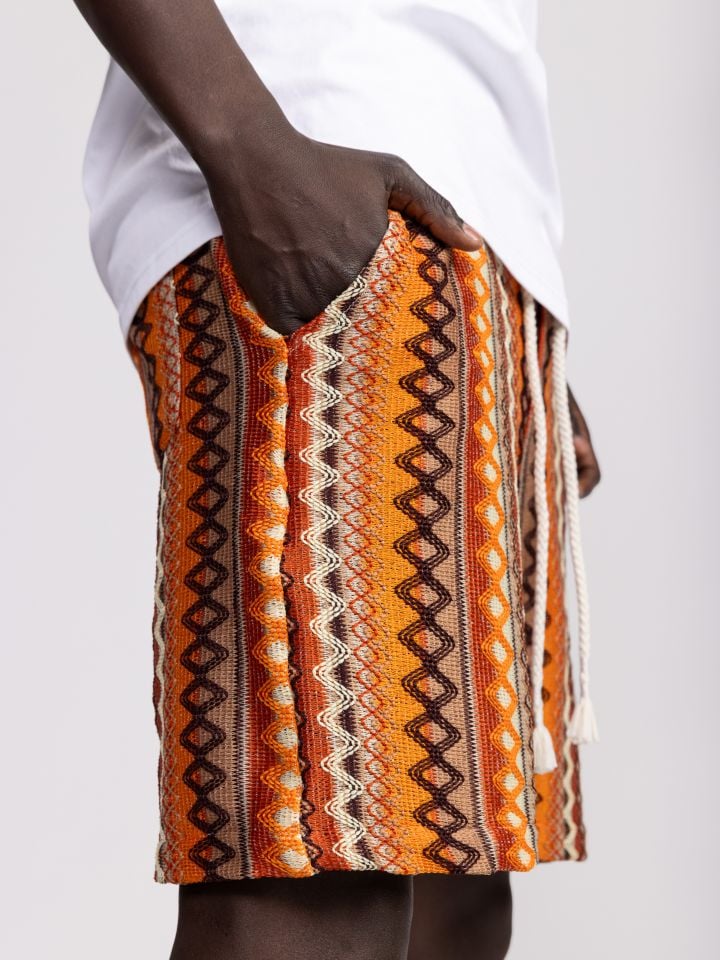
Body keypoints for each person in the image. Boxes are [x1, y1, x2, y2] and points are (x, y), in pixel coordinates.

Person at [74, 2, 601, 958]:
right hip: (329, 158)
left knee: (458, 877)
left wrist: (519, 327)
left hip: (479, 244)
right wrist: (248, 141)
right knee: (315, 859)